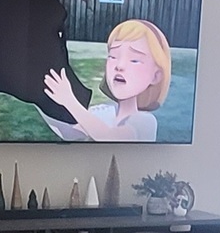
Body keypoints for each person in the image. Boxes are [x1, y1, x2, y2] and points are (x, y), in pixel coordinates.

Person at [42, 19, 171, 141]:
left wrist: (70, 101)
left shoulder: (145, 121)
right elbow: (70, 133)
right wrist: (36, 97)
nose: (119, 66)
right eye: (113, 56)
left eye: (134, 60)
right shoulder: (105, 111)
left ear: (156, 76)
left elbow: (109, 137)